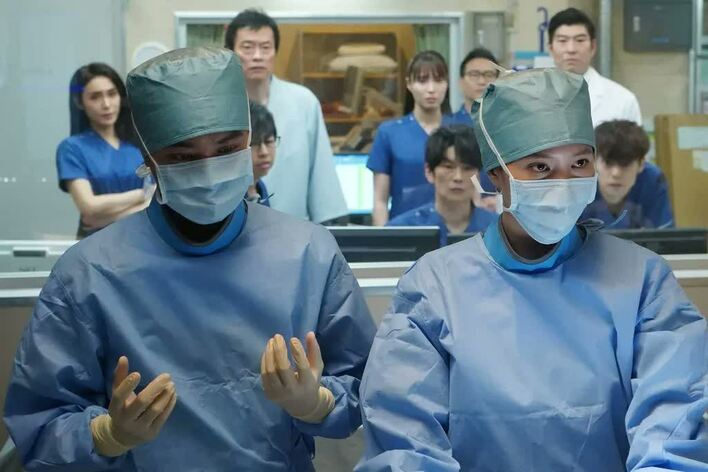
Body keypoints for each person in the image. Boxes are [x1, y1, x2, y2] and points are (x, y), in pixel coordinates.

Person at [4, 47, 376, 471]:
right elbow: (41, 422)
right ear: (148, 159)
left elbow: (366, 386)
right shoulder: (88, 274)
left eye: (227, 148)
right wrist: (107, 435)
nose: (209, 170)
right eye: (182, 157)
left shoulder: (309, 254)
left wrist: (317, 402)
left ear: (248, 140)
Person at [356, 69, 707, 471]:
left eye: (579, 163)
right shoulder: (435, 288)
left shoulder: (642, 281)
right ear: (496, 175)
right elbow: (405, 441)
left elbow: (674, 419)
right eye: (540, 168)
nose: (563, 182)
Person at [225, 9, 348, 224]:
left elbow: (321, 173)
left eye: (265, 47)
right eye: (247, 47)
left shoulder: (303, 102)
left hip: (293, 226)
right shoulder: (219, 105)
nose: (257, 56)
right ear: (231, 51)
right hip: (231, 227)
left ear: (275, 51)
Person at [57, 63, 154, 237]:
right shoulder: (71, 148)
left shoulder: (141, 144)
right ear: (79, 102)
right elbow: (89, 207)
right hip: (95, 243)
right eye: (95, 97)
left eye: (112, 94)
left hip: (144, 238)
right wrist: (141, 195)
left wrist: (105, 219)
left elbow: (158, 201)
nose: (106, 104)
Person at [367, 50, 453, 226]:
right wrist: (382, 239)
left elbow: (474, 194)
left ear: (447, 83)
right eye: (422, 80)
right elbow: (380, 201)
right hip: (404, 231)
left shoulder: (461, 132)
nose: (431, 89)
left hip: (455, 232)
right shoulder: (389, 133)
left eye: (438, 80)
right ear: (409, 84)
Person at [387, 125, 495, 245]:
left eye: (467, 168)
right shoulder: (401, 230)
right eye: (448, 167)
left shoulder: (499, 229)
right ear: (429, 171)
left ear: (478, 175)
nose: (458, 177)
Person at [549, 8, 642, 127]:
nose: (571, 49)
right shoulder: (533, 99)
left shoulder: (623, 100)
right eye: (562, 41)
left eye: (580, 40)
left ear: (593, 47)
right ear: (551, 48)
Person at [582, 120, 674, 228]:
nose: (616, 173)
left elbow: (663, 236)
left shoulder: (653, 181)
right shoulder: (580, 182)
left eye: (625, 164)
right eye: (608, 163)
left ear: (641, 164)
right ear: (594, 162)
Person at [450, 47, 500, 127]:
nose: (482, 81)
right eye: (474, 75)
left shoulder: (509, 124)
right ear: (461, 82)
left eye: (489, 75)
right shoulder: (447, 126)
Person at [247, 101, 278, 206]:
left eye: (268, 141)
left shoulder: (261, 188)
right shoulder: (227, 199)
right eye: (254, 143)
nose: (264, 152)